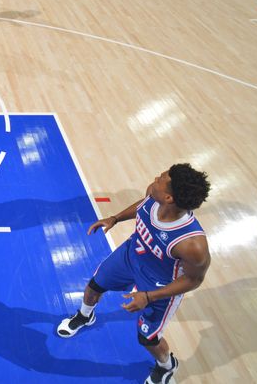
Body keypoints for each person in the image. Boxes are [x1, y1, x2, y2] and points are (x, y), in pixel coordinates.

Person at [57, 164, 211, 384]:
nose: (156, 177)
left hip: (159, 284)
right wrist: (115, 218)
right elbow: (144, 206)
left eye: (162, 179)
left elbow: (193, 279)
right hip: (130, 256)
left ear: (168, 198)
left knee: (147, 338)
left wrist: (148, 297)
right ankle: (84, 316)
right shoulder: (153, 193)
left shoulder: (192, 244)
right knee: (93, 287)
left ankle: (166, 366)